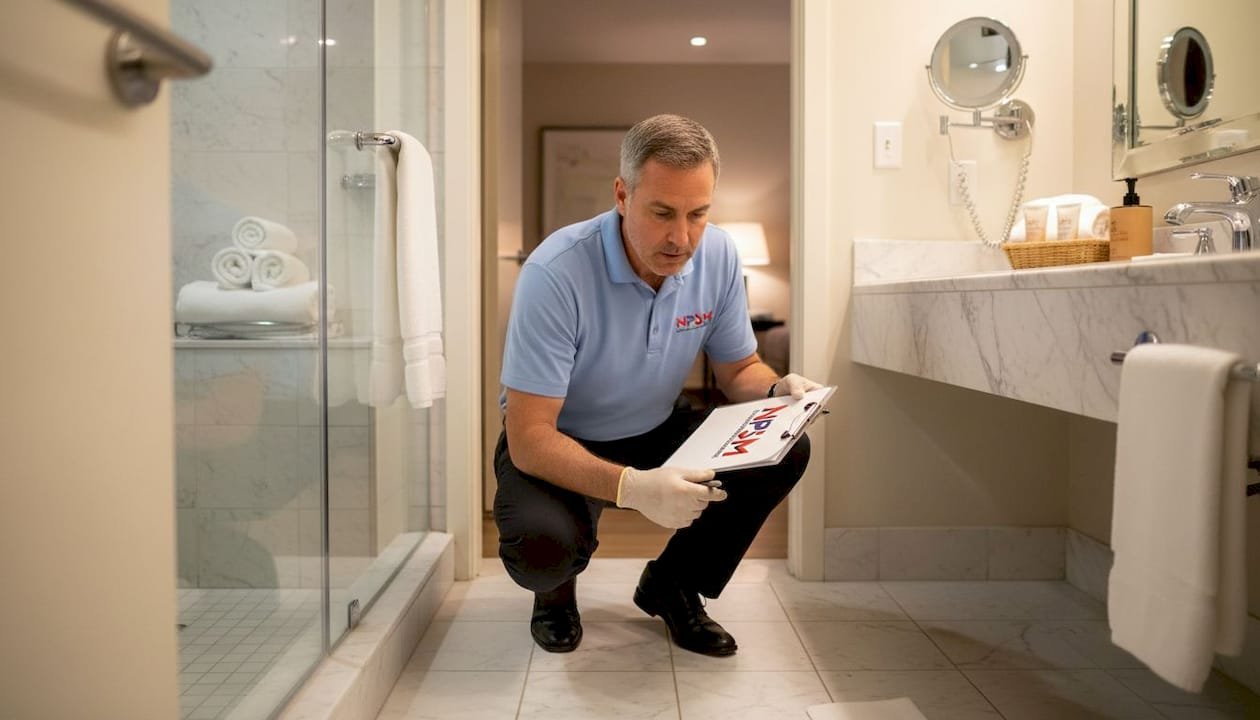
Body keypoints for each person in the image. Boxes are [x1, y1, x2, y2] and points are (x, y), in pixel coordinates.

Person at [494, 114, 823, 656]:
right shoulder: (555, 272)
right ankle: (555, 591)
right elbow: (529, 437)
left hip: (655, 426)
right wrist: (634, 489)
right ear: (623, 195)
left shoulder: (716, 254)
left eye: (698, 214)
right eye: (663, 213)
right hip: (560, 439)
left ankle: (673, 584)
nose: (681, 237)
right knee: (540, 548)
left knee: (784, 449)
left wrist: (776, 392)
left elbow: (739, 370)